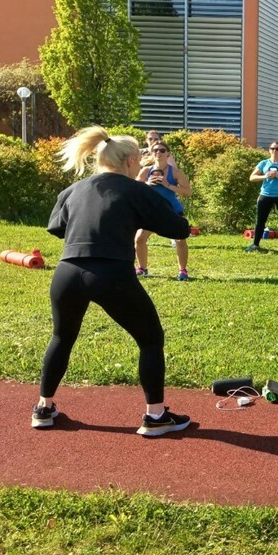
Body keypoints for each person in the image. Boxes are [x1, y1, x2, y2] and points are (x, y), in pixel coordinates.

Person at [35, 126, 192, 437]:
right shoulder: (136, 191)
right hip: (110, 272)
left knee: (62, 337)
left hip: (67, 272)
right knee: (150, 339)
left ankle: (43, 408)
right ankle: (156, 417)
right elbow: (178, 229)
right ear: (131, 161)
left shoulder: (73, 190)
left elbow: (56, 228)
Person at [134, 142, 193, 280]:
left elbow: (188, 192)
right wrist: (147, 184)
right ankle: (142, 269)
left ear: (168, 154)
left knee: (180, 239)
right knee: (140, 238)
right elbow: (134, 188)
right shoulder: (145, 171)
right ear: (152, 153)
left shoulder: (175, 172)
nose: (158, 153)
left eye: (162, 150)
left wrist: (168, 185)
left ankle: (183, 271)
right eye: (155, 150)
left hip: (171, 209)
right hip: (151, 210)